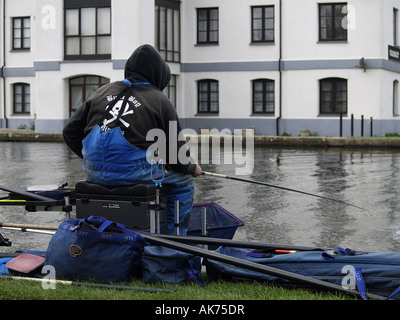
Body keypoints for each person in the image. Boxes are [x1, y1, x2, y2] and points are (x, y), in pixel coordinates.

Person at [63, 44, 202, 235]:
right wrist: (192, 168)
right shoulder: (160, 100)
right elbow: (176, 155)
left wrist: (93, 160)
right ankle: (174, 239)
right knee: (184, 181)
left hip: (93, 171)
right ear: (158, 75)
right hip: (134, 172)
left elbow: (70, 132)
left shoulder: (100, 92)